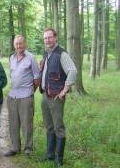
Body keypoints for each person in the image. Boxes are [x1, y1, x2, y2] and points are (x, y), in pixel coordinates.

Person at [39, 28, 77, 167]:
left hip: (56, 98)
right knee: (49, 127)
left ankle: (59, 159)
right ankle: (50, 154)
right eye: (45, 38)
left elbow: (72, 71)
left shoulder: (61, 54)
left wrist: (64, 91)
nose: (47, 40)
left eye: (49, 37)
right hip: (45, 96)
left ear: (55, 38)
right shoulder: (46, 54)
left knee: (58, 127)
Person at [5, 35, 40, 157]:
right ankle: (15, 148)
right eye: (16, 44)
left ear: (25, 44)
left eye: (21, 43)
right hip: (12, 96)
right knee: (13, 123)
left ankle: (28, 150)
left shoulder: (31, 58)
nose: (19, 46)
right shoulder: (12, 58)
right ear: (14, 45)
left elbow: (37, 79)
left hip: (26, 96)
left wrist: (30, 92)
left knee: (27, 124)